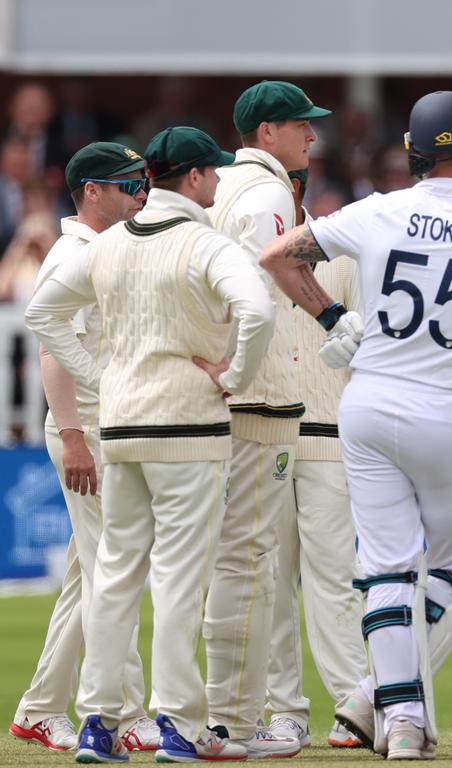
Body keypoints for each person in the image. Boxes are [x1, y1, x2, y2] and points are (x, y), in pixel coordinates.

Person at [260, 90, 452, 760]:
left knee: (384, 568)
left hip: (371, 404)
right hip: (450, 413)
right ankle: (381, 701)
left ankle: (399, 716)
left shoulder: (379, 210)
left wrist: (333, 319)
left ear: (412, 154)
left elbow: (277, 256)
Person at [24, 126, 275, 763]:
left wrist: (101, 378)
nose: (218, 182)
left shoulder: (106, 246)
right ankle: (180, 727)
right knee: (178, 581)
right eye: (212, 173)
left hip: (123, 428)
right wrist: (233, 377)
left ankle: (99, 725)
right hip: (188, 431)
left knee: (113, 576)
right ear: (192, 179)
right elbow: (258, 311)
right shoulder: (205, 243)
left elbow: (43, 314)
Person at [10, 142, 158, 754]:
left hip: (109, 426)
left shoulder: (111, 248)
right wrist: (72, 433)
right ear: (90, 192)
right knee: (113, 573)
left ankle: (39, 708)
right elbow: (50, 349)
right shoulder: (72, 254)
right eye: (127, 186)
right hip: (86, 430)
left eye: (142, 184)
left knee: (89, 575)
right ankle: (127, 713)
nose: (139, 196)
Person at [203, 80, 331, 758]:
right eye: (300, 125)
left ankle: (226, 715)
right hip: (257, 401)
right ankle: (232, 722)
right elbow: (263, 287)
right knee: (250, 566)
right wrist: (238, 375)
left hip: (230, 400)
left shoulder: (220, 188)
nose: (311, 137)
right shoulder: (268, 193)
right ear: (267, 133)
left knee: (234, 562)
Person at [264, 168, 367, 750]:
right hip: (270, 428)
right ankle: (285, 712)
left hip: (330, 432)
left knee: (334, 577)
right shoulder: (241, 247)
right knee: (272, 579)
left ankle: (355, 703)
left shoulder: (344, 255)